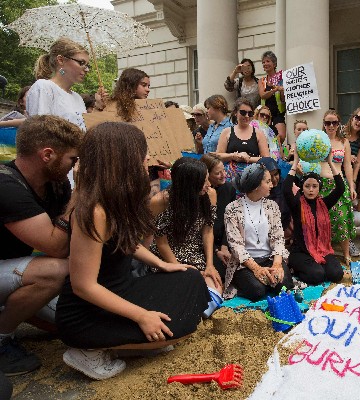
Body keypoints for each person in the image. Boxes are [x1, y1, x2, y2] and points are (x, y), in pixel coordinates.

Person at [56, 122, 209, 380]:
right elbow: (84, 286)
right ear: (122, 159)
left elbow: (127, 243)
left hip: (122, 290)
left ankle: (129, 342)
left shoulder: (113, 198)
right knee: (176, 326)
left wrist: (163, 265)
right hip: (86, 314)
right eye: (142, 153)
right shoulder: (94, 211)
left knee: (190, 279)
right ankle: (88, 350)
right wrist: (141, 316)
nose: (147, 159)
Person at [0, 115, 82, 376]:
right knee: (56, 272)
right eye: (72, 159)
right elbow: (56, 246)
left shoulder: (55, 184)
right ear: (48, 154)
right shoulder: (6, 185)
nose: (75, 166)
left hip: (10, 268)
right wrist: (80, 193)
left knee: (68, 325)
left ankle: (13, 310)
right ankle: (2, 339)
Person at [149, 157, 222, 317]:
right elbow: (161, 243)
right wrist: (182, 270)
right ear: (189, 184)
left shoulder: (210, 194)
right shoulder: (160, 201)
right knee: (185, 294)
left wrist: (209, 264)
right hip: (168, 255)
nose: (208, 184)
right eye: (204, 182)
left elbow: (208, 231)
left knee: (213, 294)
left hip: (195, 250)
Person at [223, 163, 293, 301]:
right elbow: (235, 245)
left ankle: (270, 276)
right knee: (257, 291)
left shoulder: (272, 206)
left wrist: (277, 265)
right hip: (246, 264)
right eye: (267, 181)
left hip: (270, 259)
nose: (272, 184)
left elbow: (279, 238)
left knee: (283, 285)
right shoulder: (232, 209)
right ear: (255, 186)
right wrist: (256, 269)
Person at [284, 149, 344, 285]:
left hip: (321, 250)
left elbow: (340, 188)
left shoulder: (324, 204)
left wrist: (330, 161)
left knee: (336, 274)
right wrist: (295, 163)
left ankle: (318, 264)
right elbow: (286, 190)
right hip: (301, 252)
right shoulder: (297, 204)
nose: (311, 190)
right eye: (307, 186)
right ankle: (298, 269)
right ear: (302, 188)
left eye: (314, 186)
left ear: (319, 188)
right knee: (317, 276)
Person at [27, 38, 90, 131]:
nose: (87, 69)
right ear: (61, 60)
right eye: (81, 63)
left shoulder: (78, 98)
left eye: (88, 65)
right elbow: (40, 131)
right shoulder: (44, 87)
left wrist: (99, 107)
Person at [320, 109, 357, 265]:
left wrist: (352, 186)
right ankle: (323, 252)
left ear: (338, 124)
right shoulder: (318, 140)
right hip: (322, 185)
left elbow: (347, 165)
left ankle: (346, 254)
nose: (331, 126)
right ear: (324, 124)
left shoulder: (344, 142)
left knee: (342, 220)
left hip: (339, 185)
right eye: (328, 123)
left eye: (334, 122)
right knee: (323, 221)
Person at [199, 154, 236, 282]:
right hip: (205, 244)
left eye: (223, 170)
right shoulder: (201, 193)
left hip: (225, 240)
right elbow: (202, 229)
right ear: (206, 175)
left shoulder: (229, 189)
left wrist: (225, 246)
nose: (223, 175)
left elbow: (230, 220)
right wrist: (216, 250)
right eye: (218, 173)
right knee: (220, 273)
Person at [215, 97, 270, 183]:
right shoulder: (227, 132)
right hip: (230, 178)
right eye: (243, 113)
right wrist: (233, 156)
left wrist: (248, 158)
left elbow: (266, 159)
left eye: (250, 113)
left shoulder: (259, 133)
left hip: (253, 178)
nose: (247, 116)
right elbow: (218, 155)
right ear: (235, 113)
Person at [257, 157, 290, 235]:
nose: (274, 179)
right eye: (270, 176)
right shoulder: (255, 190)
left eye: (276, 174)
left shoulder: (285, 186)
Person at [258, 51, 286, 142]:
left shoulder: (281, 78)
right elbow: (262, 95)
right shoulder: (262, 80)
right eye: (263, 62)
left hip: (278, 113)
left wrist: (282, 91)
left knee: (281, 136)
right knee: (263, 135)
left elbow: (283, 99)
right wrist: (274, 90)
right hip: (265, 113)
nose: (265, 64)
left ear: (274, 64)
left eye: (267, 61)